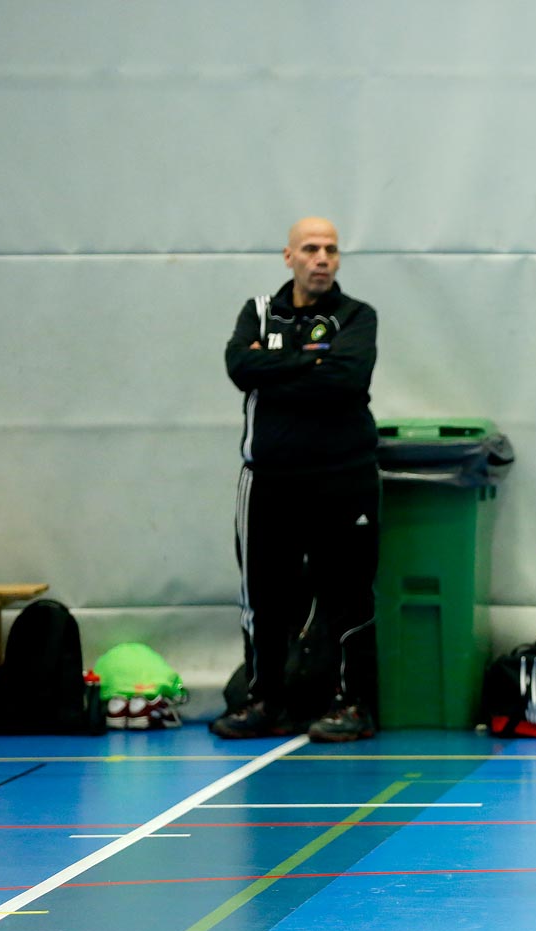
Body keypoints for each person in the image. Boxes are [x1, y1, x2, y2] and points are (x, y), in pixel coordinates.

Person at [212, 217, 381, 743]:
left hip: (343, 479)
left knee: (348, 594)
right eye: (311, 248)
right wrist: (309, 361)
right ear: (289, 256)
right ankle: (265, 701)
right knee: (264, 596)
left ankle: (353, 705)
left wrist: (278, 365)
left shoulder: (357, 316)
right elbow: (240, 366)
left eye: (331, 249)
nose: (322, 258)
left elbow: (347, 377)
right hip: (269, 484)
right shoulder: (257, 313)